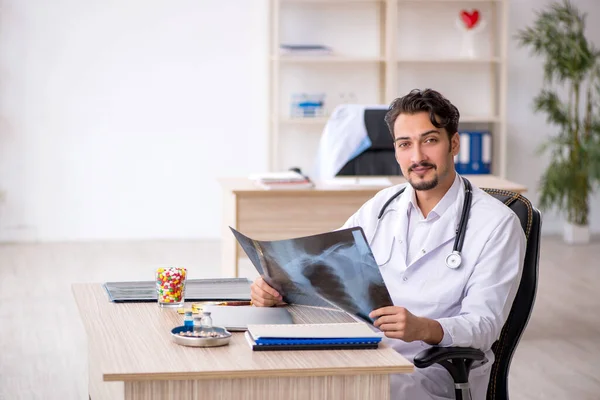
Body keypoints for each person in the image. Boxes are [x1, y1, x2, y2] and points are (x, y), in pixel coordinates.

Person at [250, 89, 526, 400]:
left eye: (430, 140)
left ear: (455, 143)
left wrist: (424, 328)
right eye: (405, 144)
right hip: (366, 353)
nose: (417, 157)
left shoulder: (497, 224)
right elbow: (322, 266)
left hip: (430, 372)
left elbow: (485, 324)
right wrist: (275, 287)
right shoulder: (382, 205)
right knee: (271, 378)